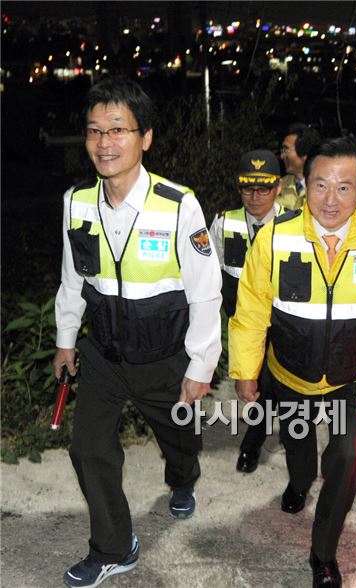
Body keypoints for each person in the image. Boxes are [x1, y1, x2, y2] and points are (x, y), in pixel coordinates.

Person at [53, 76, 222, 588]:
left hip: (165, 354)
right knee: (88, 449)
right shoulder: (77, 202)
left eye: (118, 130)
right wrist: (65, 340)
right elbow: (72, 279)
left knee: (181, 439)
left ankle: (183, 478)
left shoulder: (178, 205)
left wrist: (200, 365)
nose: (104, 143)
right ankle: (114, 547)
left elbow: (205, 292)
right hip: (103, 352)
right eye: (94, 131)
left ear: (144, 137)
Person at [229, 135, 356, 586]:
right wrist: (246, 371)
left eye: (344, 187)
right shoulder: (275, 238)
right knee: (300, 454)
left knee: (346, 460)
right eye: (321, 185)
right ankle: (298, 484)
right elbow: (250, 311)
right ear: (304, 184)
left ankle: (324, 553)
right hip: (291, 374)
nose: (331, 200)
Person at [210, 149, 283, 473]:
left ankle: (252, 445)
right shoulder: (224, 222)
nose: (255, 196)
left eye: (263, 188)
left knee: (269, 385)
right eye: (247, 188)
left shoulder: (292, 224)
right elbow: (210, 273)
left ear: (278, 187)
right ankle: (257, 440)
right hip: (241, 324)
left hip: (281, 323)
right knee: (256, 385)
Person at [277, 122, 321, 210]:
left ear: (304, 153)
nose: (282, 156)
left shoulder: (324, 187)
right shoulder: (279, 186)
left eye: (286, 150)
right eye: (282, 150)